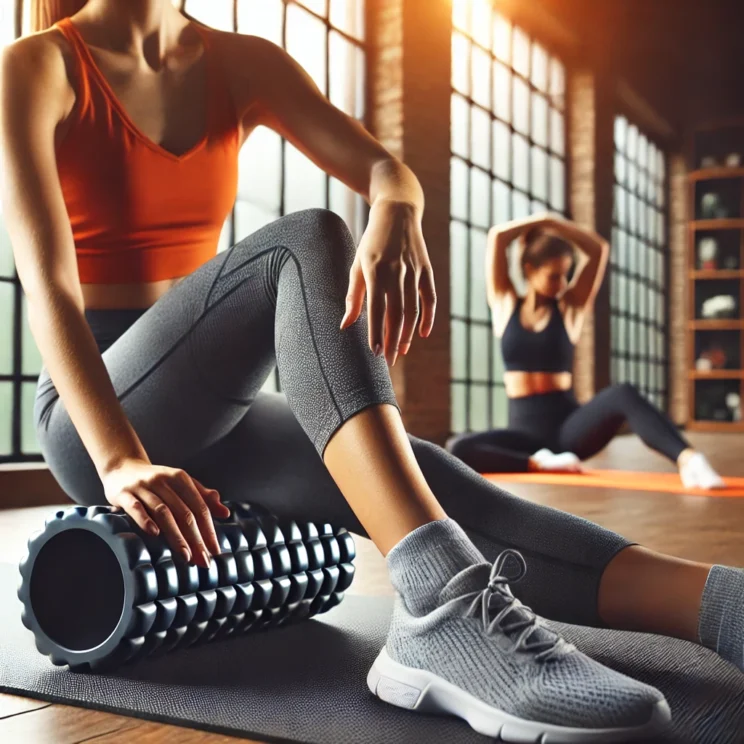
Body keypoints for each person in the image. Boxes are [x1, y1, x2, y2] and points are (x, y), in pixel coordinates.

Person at [1, 1, 741, 740]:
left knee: (432, 484)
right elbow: (49, 287)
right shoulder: (38, 67)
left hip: (211, 406)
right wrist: (120, 458)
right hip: (90, 412)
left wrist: (398, 205)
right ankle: (438, 610)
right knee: (304, 242)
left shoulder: (239, 63)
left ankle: (719, 607)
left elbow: (386, 169)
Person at [446, 213, 725, 490]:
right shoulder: (505, 304)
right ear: (529, 269)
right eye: (554, 276)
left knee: (623, 393)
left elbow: (597, 249)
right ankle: (537, 463)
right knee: (458, 447)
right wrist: (537, 221)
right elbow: (498, 237)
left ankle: (690, 460)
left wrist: (555, 224)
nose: (563, 284)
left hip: (569, 431)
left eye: (566, 275)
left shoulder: (570, 308)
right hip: (524, 435)